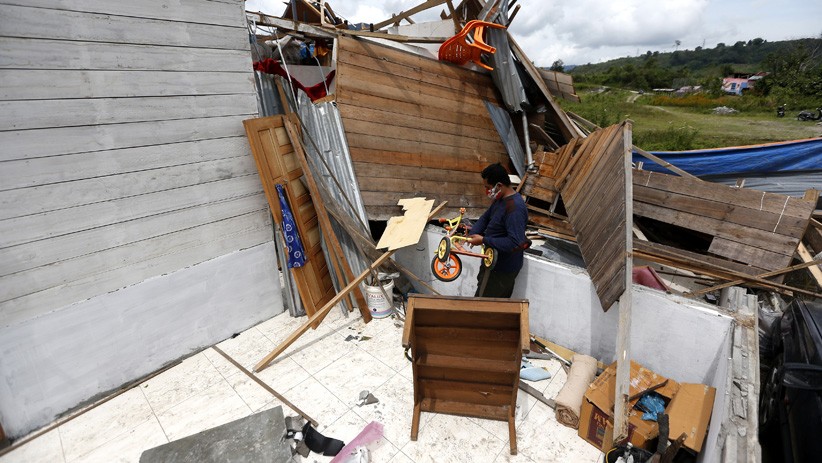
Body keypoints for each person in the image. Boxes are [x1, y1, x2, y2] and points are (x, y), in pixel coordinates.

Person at [466, 163, 530, 298]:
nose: (487, 191)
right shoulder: (500, 200)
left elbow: (515, 243)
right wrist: (473, 233)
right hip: (491, 262)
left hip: (502, 270)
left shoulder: (515, 208)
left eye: (488, 187)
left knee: (486, 308)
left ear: (499, 186)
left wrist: (483, 239)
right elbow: (486, 217)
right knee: (482, 299)